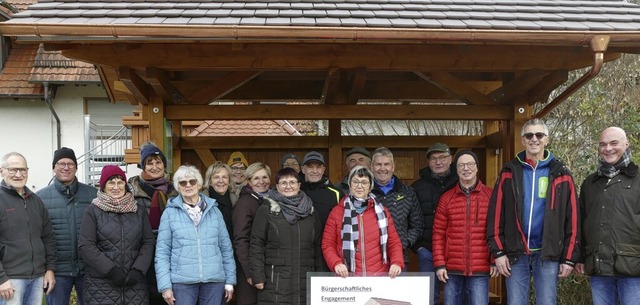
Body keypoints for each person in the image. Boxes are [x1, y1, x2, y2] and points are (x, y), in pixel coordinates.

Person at [486, 118, 580, 305]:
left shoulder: (561, 173)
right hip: (516, 253)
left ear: (547, 139)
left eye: (539, 135)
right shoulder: (509, 171)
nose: (534, 139)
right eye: (529, 135)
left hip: (548, 254)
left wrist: (569, 258)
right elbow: (495, 215)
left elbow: (573, 219)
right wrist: (498, 252)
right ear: (523, 140)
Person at [155, 165, 236, 305]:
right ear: (177, 186)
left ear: (199, 184)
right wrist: (165, 286)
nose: (188, 185)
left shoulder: (214, 211)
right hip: (182, 282)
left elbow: (226, 249)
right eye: (182, 182)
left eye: (192, 181)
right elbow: (162, 252)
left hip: (214, 280)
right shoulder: (170, 213)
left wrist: (230, 280)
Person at [576, 127, 638, 305]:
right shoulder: (590, 183)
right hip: (599, 268)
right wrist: (580, 258)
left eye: (614, 143)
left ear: (626, 144)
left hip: (633, 269)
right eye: (603, 144)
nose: (608, 148)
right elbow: (582, 222)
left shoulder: (638, 179)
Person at [78, 165, 155, 305]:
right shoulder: (93, 211)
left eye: (120, 182)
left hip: (135, 284)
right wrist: (111, 271)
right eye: (111, 182)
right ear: (103, 186)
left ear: (125, 185)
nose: (116, 187)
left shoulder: (138, 210)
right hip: (101, 285)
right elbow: (86, 246)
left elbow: (148, 242)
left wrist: (138, 270)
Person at [432, 151, 498, 305]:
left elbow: (497, 230)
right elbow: (438, 234)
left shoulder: (490, 195)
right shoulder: (446, 198)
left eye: (470, 164)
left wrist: (494, 259)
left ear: (477, 168)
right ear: (456, 169)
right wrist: (439, 264)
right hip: (451, 270)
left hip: (480, 269)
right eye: (461, 165)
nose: (466, 168)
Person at [250, 168, 321, 304]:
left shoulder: (311, 212)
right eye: (283, 183)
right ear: (277, 186)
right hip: (275, 280)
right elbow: (256, 244)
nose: (288, 186)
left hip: (305, 278)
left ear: (299, 185)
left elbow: (317, 246)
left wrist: (320, 276)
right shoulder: (266, 210)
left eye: (292, 182)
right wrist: (258, 276)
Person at [36, 147, 97, 305]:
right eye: (61, 163)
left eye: (70, 163)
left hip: (88, 268)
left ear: (76, 167)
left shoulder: (92, 195)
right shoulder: (41, 198)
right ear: (54, 167)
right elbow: (38, 235)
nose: (66, 167)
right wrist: (47, 268)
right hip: (57, 270)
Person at [322, 165, 404, 277]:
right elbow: (328, 244)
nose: (359, 186)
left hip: (378, 276)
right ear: (350, 185)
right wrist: (336, 263)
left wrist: (396, 263)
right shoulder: (337, 212)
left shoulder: (382, 212)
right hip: (347, 277)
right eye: (355, 182)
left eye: (364, 182)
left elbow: (394, 243)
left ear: (370, 186)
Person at [0, 152, 56, 305]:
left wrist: (50, 269)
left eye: (23, 170)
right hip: (10, 280)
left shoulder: (35, 200)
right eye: (13, 169)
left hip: (37, 278)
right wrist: (1, 279)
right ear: (2, 171)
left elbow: (48, 237)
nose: (19, 174)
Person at [128, 141, 177, 304]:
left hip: (170, 253)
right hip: (141, 253)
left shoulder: (174, 190)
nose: (155, 167)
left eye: (158, 162)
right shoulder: (130, 190)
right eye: (150, 163)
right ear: (143, 166)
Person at [411, 143, 458, 304]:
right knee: (429, 296)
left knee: (455, 296)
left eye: (442, 157)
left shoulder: (462, 183)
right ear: (428, 162)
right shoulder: (417, 187)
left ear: (450, 159)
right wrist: (419, 247)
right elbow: (410, 220)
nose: (438, 162)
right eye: (433, 159)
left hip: (456, 250)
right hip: (428, 250)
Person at [370, 147, 424, 267]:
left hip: (399, 259)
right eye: (378, 164)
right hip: (371, 260)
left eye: (386, 164)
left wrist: (403, 242)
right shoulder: (365, 192)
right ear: (372, 167)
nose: (382, 168)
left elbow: (417, 226)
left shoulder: (407, 192)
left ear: (393, 167)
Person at [232, 162, 271, 305]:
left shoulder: (273, 200)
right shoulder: (245, 203)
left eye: (265, 177)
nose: (261, 182)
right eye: (256, 178)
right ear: (248, 181)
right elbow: (241, 239)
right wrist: (250, 271)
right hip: (249, 270)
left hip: (268, 267)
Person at [202, 161, 238, 237]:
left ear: (229, 181)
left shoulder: (237, 201)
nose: (221, 181)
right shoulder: (201, 202)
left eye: (224, 177)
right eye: (216, 177)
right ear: (210, 181)